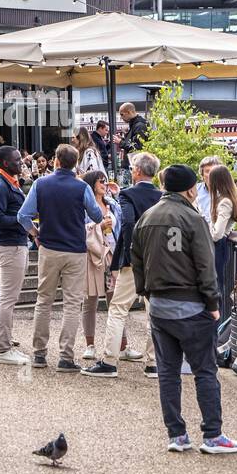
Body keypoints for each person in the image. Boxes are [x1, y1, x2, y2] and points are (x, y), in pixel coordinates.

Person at [131, 164, 237, 454]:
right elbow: (205, 266)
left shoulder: (146, 218)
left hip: (159, 306)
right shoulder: (193, 219)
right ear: (191, 189)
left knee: (168, 372)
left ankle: (177, 435)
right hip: (191, 305)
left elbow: (137, 261)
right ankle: (213, 435)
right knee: (205, 370)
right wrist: (213, 303)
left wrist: (146, 292)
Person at [17, 144, 104, 372]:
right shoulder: (81, 187)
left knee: (43, 301)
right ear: (75, 163)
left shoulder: (40, 184)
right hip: (75, 249)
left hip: (49, 246)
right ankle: (66, 356)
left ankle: (39, 353)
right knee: (72, 304)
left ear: (55, 160)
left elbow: (23, 215)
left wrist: (35, 234)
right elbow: (96, 214)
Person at [82, 151, 160, 380]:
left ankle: (109, 361)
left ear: (137, 171)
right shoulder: (161, 195)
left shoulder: (128, 195)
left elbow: (127, 224)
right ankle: (153, 362)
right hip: (156, 259)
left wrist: (124, 257)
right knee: (153, 312)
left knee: (117, 309)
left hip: (133, 260)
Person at [0, 145, 30, 365]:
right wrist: (23, 219)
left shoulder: (8, 183)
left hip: (13, 243)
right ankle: (3, 348)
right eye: (16, 160)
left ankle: (6, 344)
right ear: (4, 163)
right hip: (9, 244)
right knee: (8, 298)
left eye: (20, 159)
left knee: (8, 298)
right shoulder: (0, 186)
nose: (21, 163)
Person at [79, 170, 119, 360]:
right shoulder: (84, 206)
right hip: (92, 255)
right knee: (90, 300)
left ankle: (121, 344)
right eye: (101, 181)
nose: (105, 184)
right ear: (92, 184)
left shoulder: (112, 204)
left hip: (112, 253)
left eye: (106, 181)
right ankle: (90, 344)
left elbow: (120, 226)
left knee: (116, 300)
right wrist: (98, 227)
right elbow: (79, 228)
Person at [207, 164, 237, 294]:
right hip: (221, 245)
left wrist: (207, 229)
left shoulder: (225, 202)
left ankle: (218, 313)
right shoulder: (227, 199)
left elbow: (217, 234)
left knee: (217, 285)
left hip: (218, 245)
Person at [118, 103, 147, 168]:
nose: (121, 117)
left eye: (122, 114)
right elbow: (133, 143)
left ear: (129, 112)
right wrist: (123, 138)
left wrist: (121, 142)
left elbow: (138, 148)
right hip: (133, 165)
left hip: (135, 166)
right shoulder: (136, 124)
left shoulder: (139, 126)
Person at [194, 155, 222, 219]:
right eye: (207, 171)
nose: (211, 174)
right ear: (202, 174)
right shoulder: (194, 190)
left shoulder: (225, 192)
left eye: (214, 171)